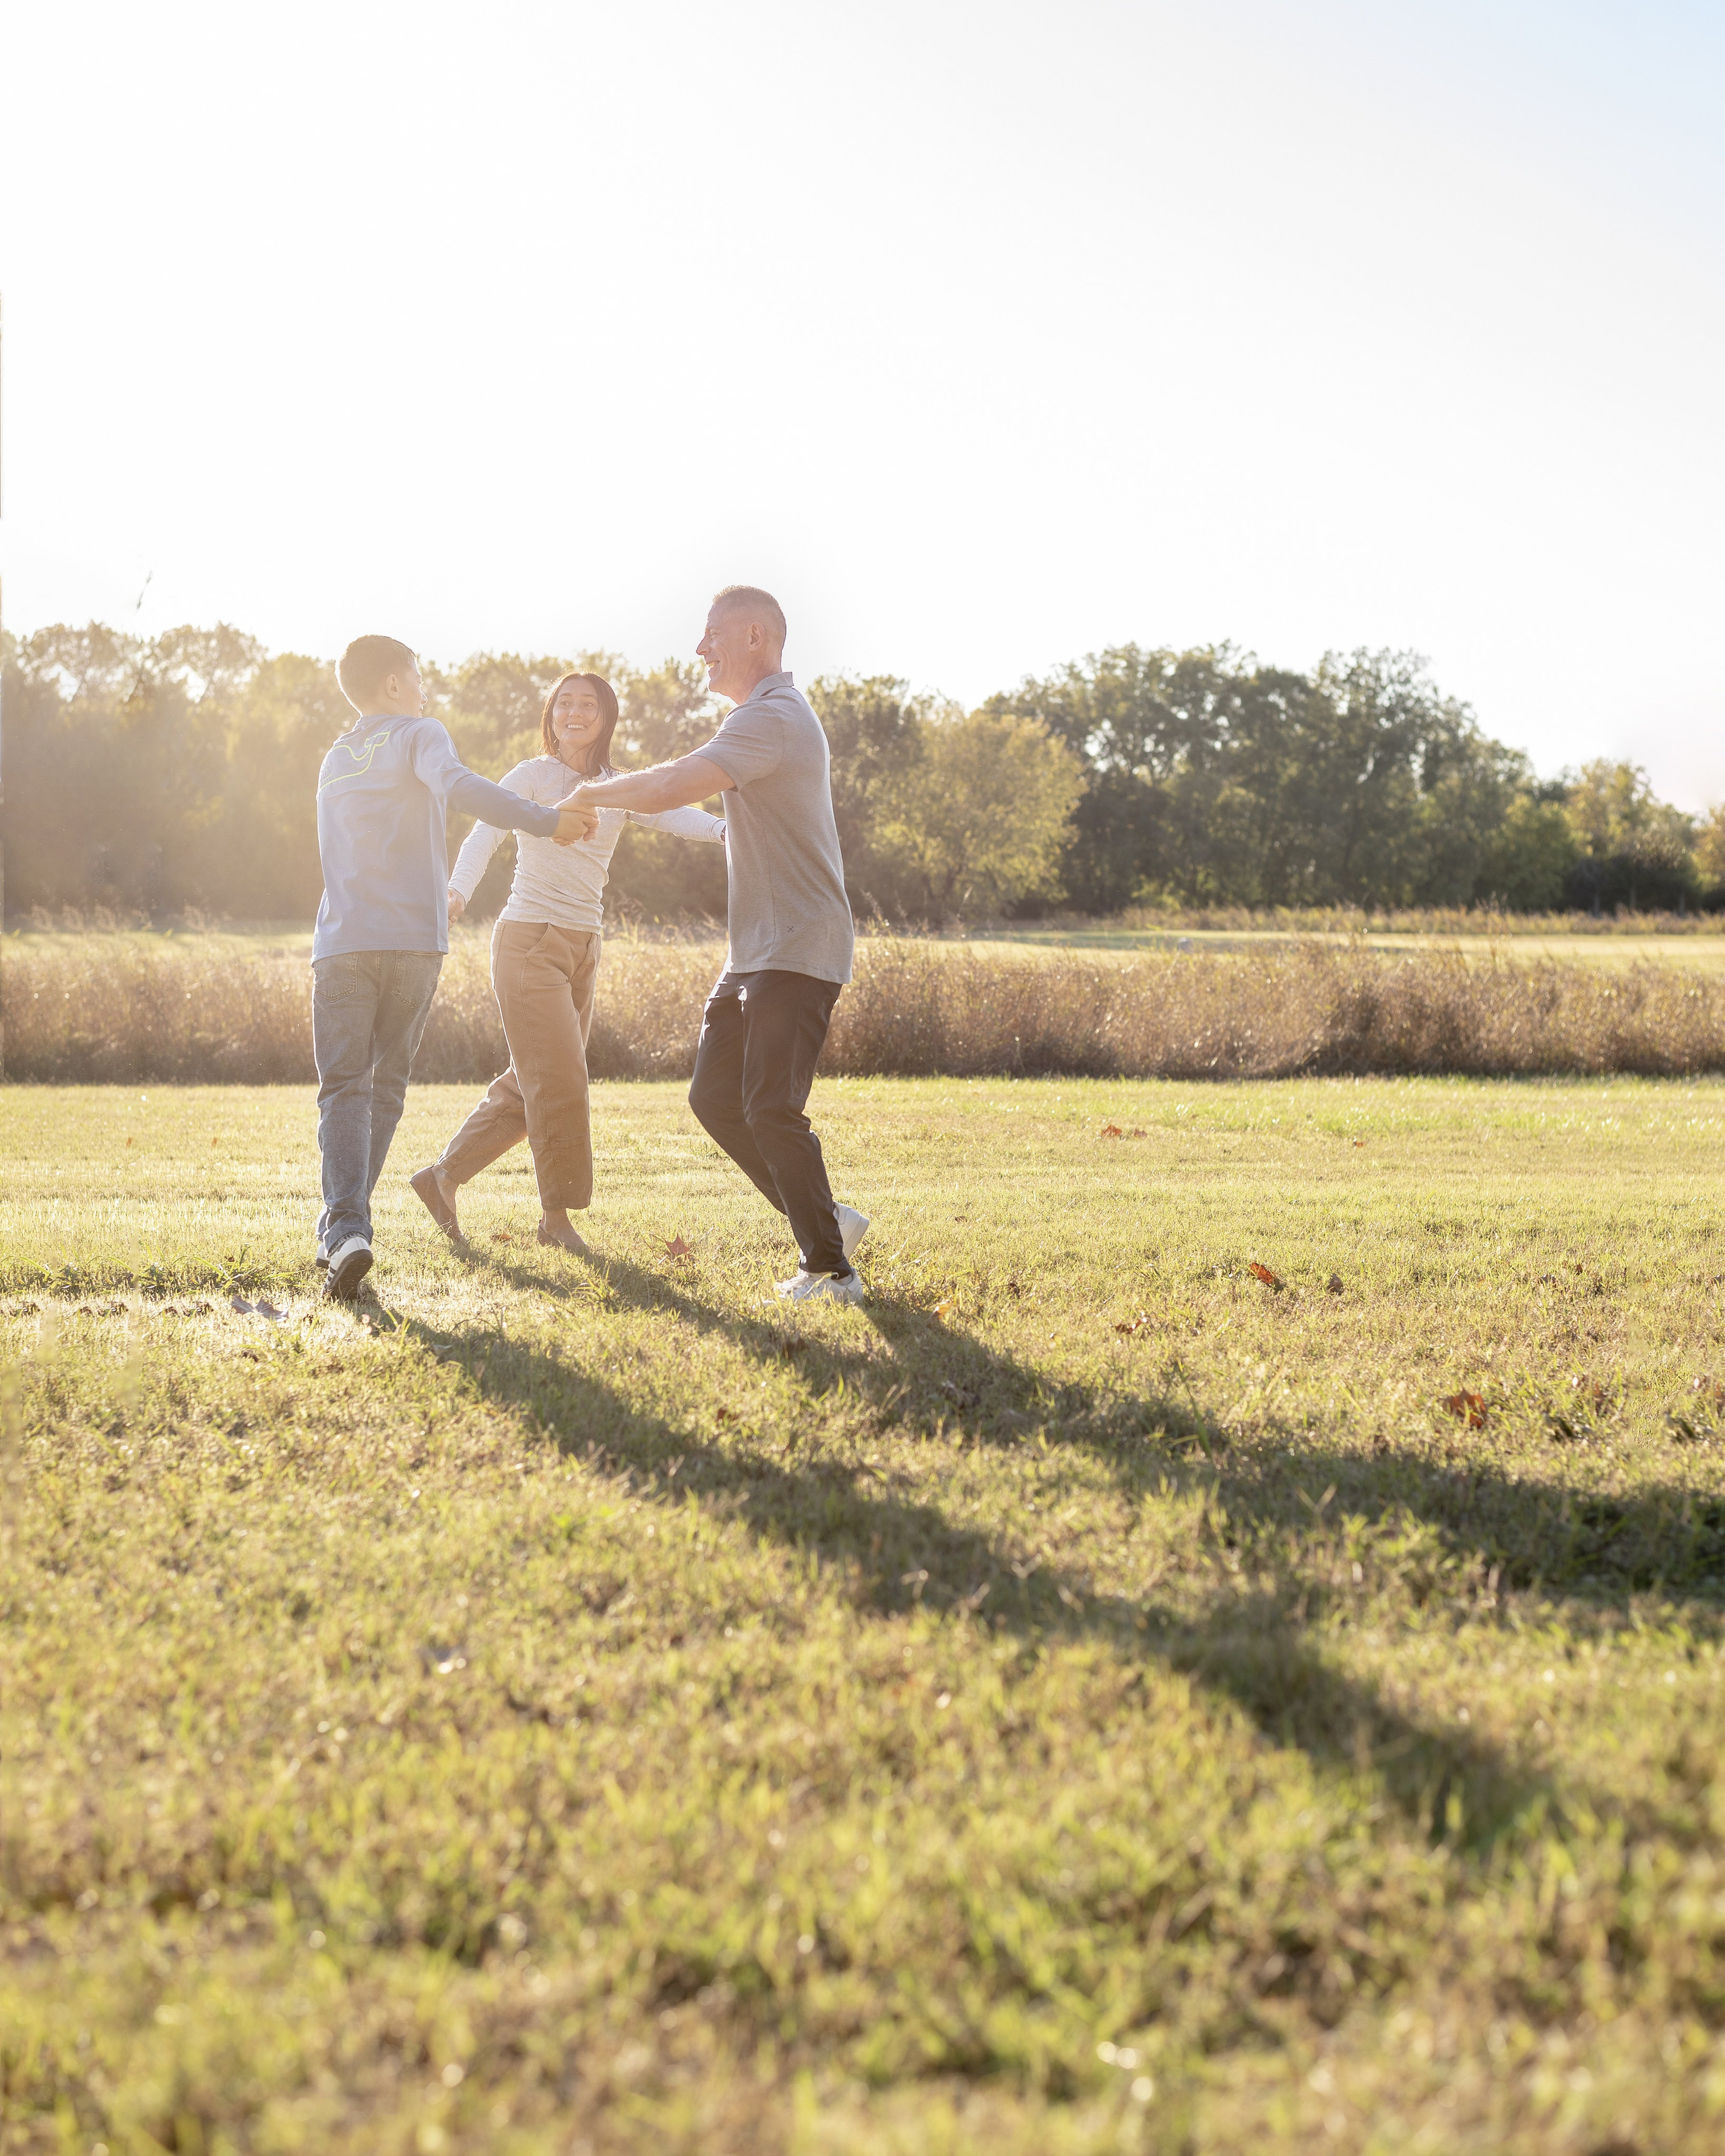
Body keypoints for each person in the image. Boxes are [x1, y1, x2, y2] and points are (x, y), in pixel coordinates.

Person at [563, 586, 867, 1304]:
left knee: (770, 1107)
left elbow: (670, 784)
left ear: (754, 636)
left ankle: (832, 1269)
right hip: (755, 951)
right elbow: (689, 796)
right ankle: (826, 1220)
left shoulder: (775, 717)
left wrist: (587, 795)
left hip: (796, 944)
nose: (699, 650)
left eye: (711, 636)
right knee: (713, 1097)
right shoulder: (755, 721)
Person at [312, 634, 594, 1300]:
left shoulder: (334, 757)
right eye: (416, 677)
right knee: (382, 1090)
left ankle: (345, 1228)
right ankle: (344, 1226)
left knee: (343, 1089)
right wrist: (544, 820)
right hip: (412, 941)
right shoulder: (419, 732)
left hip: (343, 941)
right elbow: (462, 787)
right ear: (391, 686)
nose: (424, 689)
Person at [408, 669, 726, 1255]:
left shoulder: (617, 786)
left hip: (584, 947)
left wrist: (729, 832)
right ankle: (555, 1221)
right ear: (551, 716)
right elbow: (485, 834)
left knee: (533, 1082)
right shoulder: (532, 775)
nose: (574, 713)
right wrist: (457, 891)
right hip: (529, 942)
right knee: (561, 1081)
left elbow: (673, 814)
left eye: (587, 705)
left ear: (606, 718)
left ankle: (443, 1177)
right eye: (564, 704)